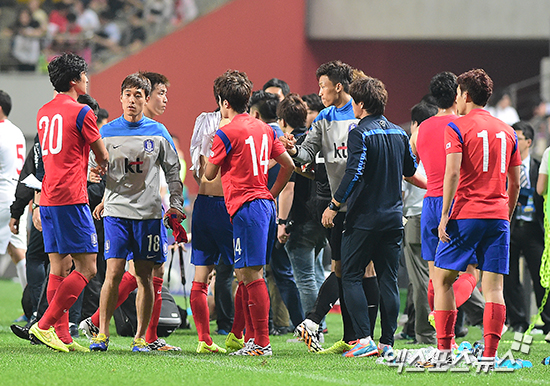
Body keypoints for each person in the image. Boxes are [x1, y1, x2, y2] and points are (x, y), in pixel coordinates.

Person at [320, 76, 425, 357]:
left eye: (355, 101)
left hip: (364, 219)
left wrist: (333, 204)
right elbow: (410, 169)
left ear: (362, 104)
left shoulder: (359, 132)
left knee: (351, 276)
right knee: (388, 280)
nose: (353, 106)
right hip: (394, 219)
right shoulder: (399, 133)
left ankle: (364, 339)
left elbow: (353, 172)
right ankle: (387, 342)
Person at [281, 61, 379, 354]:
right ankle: (351, 337)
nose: (320, 91)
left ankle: (357, 334)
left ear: (338, 86)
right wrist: (292, 149)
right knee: (342, 269)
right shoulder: (323, 117)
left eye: (323, 86)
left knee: (363, 270)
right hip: (336, 207)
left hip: (362, 205)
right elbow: (307, 152)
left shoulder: (361, 114)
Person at [80, 71, 182, 351]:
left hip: (148, 215)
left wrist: (176, 204)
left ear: (145, 99)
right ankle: (102, 334)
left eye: (138, 96)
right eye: (128, 95)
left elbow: (173, 170)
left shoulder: (158, 132)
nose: (132, 101)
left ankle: (140, 338)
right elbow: (92, 166)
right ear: (121, 97)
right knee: (112, 272)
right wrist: (95, 177)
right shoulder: (107, 131)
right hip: (116, 212)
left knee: (144, 276)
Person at [434, 69, 521, 365]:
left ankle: (444, 350)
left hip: (466, 214)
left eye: (458, 93)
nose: (456, 99)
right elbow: (516, 181)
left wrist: (445, 216)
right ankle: (490, 356)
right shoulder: (508, 131)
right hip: (498, 216)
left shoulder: (457, 126)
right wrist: (505, 216)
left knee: (442, 280)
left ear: (466, 95)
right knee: (494, 288)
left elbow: (453, 172)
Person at [205, 69, 294, 356]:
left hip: (246, 208)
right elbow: (288, 165)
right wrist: (272, 193)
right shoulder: (265, 129)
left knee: (251, 274)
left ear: (224, 103)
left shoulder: (226, 131)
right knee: (246, 273)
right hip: (264, 205)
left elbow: (208, 174)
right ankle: (252, 339)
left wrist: (213, 144)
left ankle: (262, 343)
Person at [28, 53, 109, 353]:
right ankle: (45, 325)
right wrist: (101, 163)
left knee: (58, 267)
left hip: (48, 197)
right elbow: (102, 155)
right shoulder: (82, 112)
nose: (88, 80)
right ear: (75, 81)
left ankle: (62, 335)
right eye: (86, 75)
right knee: (87, 267)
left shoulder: (43, 112)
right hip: (71, 198)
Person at [412, 72, 482, 345]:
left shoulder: (420, 130)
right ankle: (444, 326)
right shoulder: (465, 124)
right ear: (457, 94)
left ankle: (446, 338)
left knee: (435, 275)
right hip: (461, 202)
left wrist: (428, 184)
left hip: (430, 202)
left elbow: (407, 170)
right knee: (471, 272)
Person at [188, 90, 234, 354]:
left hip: (205, 203)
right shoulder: (249, 124)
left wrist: (206, 184)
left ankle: (205, 339)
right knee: (246, 273)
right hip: (231, 205)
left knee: (202, 275)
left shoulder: (204, 121)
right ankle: (242, 335)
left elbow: (199, 168)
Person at [276, 93, 325, 320]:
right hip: (320, 214)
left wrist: (282, 222)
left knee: (305, 277)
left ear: (283, 122)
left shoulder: (290, 145)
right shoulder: (315, 139)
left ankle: (314, 329)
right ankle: (320, 324)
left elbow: (289, 188)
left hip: (301, 218)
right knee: (315, 273)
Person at [504, 121, 550, 334]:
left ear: (529, 142)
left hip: (534, 229)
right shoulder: (503, 166)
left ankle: (547, 320)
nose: (512, 142)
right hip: (510, 228)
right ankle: (518, 321)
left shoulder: (540, 164)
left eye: (517, 138)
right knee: (509, 278)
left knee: (541, 277)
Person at [397, 101, 437, 345]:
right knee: (443, 275)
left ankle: (424, 332)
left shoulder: (409, 149)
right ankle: (482, 312)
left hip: (415, 216)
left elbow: (401, 189)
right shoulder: (439, 145)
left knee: (420, 279)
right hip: (438, 214)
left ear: (413, 124)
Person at [0, 90, 27, 291]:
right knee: (18, 252)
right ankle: (32, 307)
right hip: (16, 197)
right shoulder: (17, 132)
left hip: (1, 196)